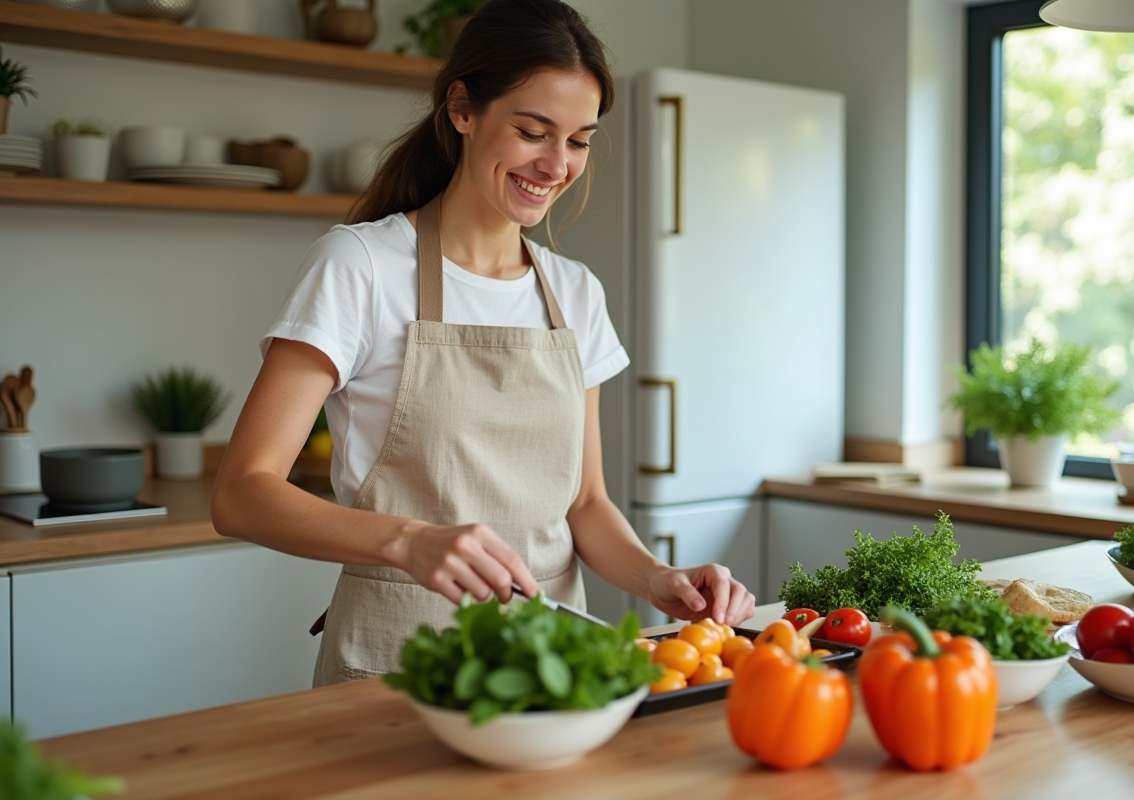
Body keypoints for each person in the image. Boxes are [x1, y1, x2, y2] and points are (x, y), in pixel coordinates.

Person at [211, 0, 755, 687]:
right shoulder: (361, 266)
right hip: (399, 667)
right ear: (462, 109)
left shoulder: (576, 293)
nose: (557, 165)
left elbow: (585, 503)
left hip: (552, 669)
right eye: (533, 131)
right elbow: (241, 493)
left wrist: (659, 576)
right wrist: (409, 540)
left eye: (580, 140)